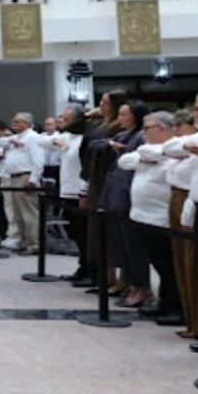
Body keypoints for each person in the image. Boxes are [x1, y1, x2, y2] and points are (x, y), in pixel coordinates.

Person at [118, 111, 179, 319]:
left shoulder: (176, 148)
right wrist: (147, 157)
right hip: (141, 215)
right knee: (157, 262)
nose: (142, 133)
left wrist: (154, 156)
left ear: (162, 129)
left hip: (161, 216)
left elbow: (158, 159)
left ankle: (175, 306)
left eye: (147, 128)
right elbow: (125, 161)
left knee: (169, 265)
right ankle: (164, 301)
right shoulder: (148, 150)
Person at [78, 90, 130, 290]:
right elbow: (85, 138)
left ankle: (122, 280)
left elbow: (99, 145)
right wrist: (88, 115)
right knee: (99, 234)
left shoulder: (120, 127)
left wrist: (103, 143)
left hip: (108, 179)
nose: (101, 105)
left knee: (114, 235)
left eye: (106, 102)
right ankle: (106, 278)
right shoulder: (101, 124)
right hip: (95, 178)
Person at [163, 107, 198, 338]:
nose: (176, 131)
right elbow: (168, 148)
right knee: (186, 265)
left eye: (180, 127)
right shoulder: (196, 139)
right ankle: (194, 322)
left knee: (195, 266)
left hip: (194, 201)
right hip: (190, 202)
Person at [99, 100, 147, 301]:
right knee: (122, 245)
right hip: (115, 194)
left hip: (128, 195)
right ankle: (127, 281)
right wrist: (110, 144)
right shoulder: (121, 135)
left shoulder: (140, 137)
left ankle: (141, 286)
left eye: (124, 114)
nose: (119, 118)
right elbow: (96, 143)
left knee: (133, 246)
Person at [38, 106, 90, 283]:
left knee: (85, 234)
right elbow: (40, 140)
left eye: (66, 119)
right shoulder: (67, 137)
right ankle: (82, 267)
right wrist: (55, 141)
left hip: (80, 192)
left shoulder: (86, 138)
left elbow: (88, 169)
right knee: (76, 232)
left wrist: (85, 190)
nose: (62, 122)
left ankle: (90, 270)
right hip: (67, 190)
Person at [1, 112, 45, 254]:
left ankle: (34, 244)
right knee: (18, 213)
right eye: (14, 121)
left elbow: (38, 160)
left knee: (29, 213)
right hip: (14, 177)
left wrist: (33, 180)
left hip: (25, 177)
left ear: (27, 123)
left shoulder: (33, 137)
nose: (14, 123)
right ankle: (24, 241)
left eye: (18, 121)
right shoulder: (17, 137)